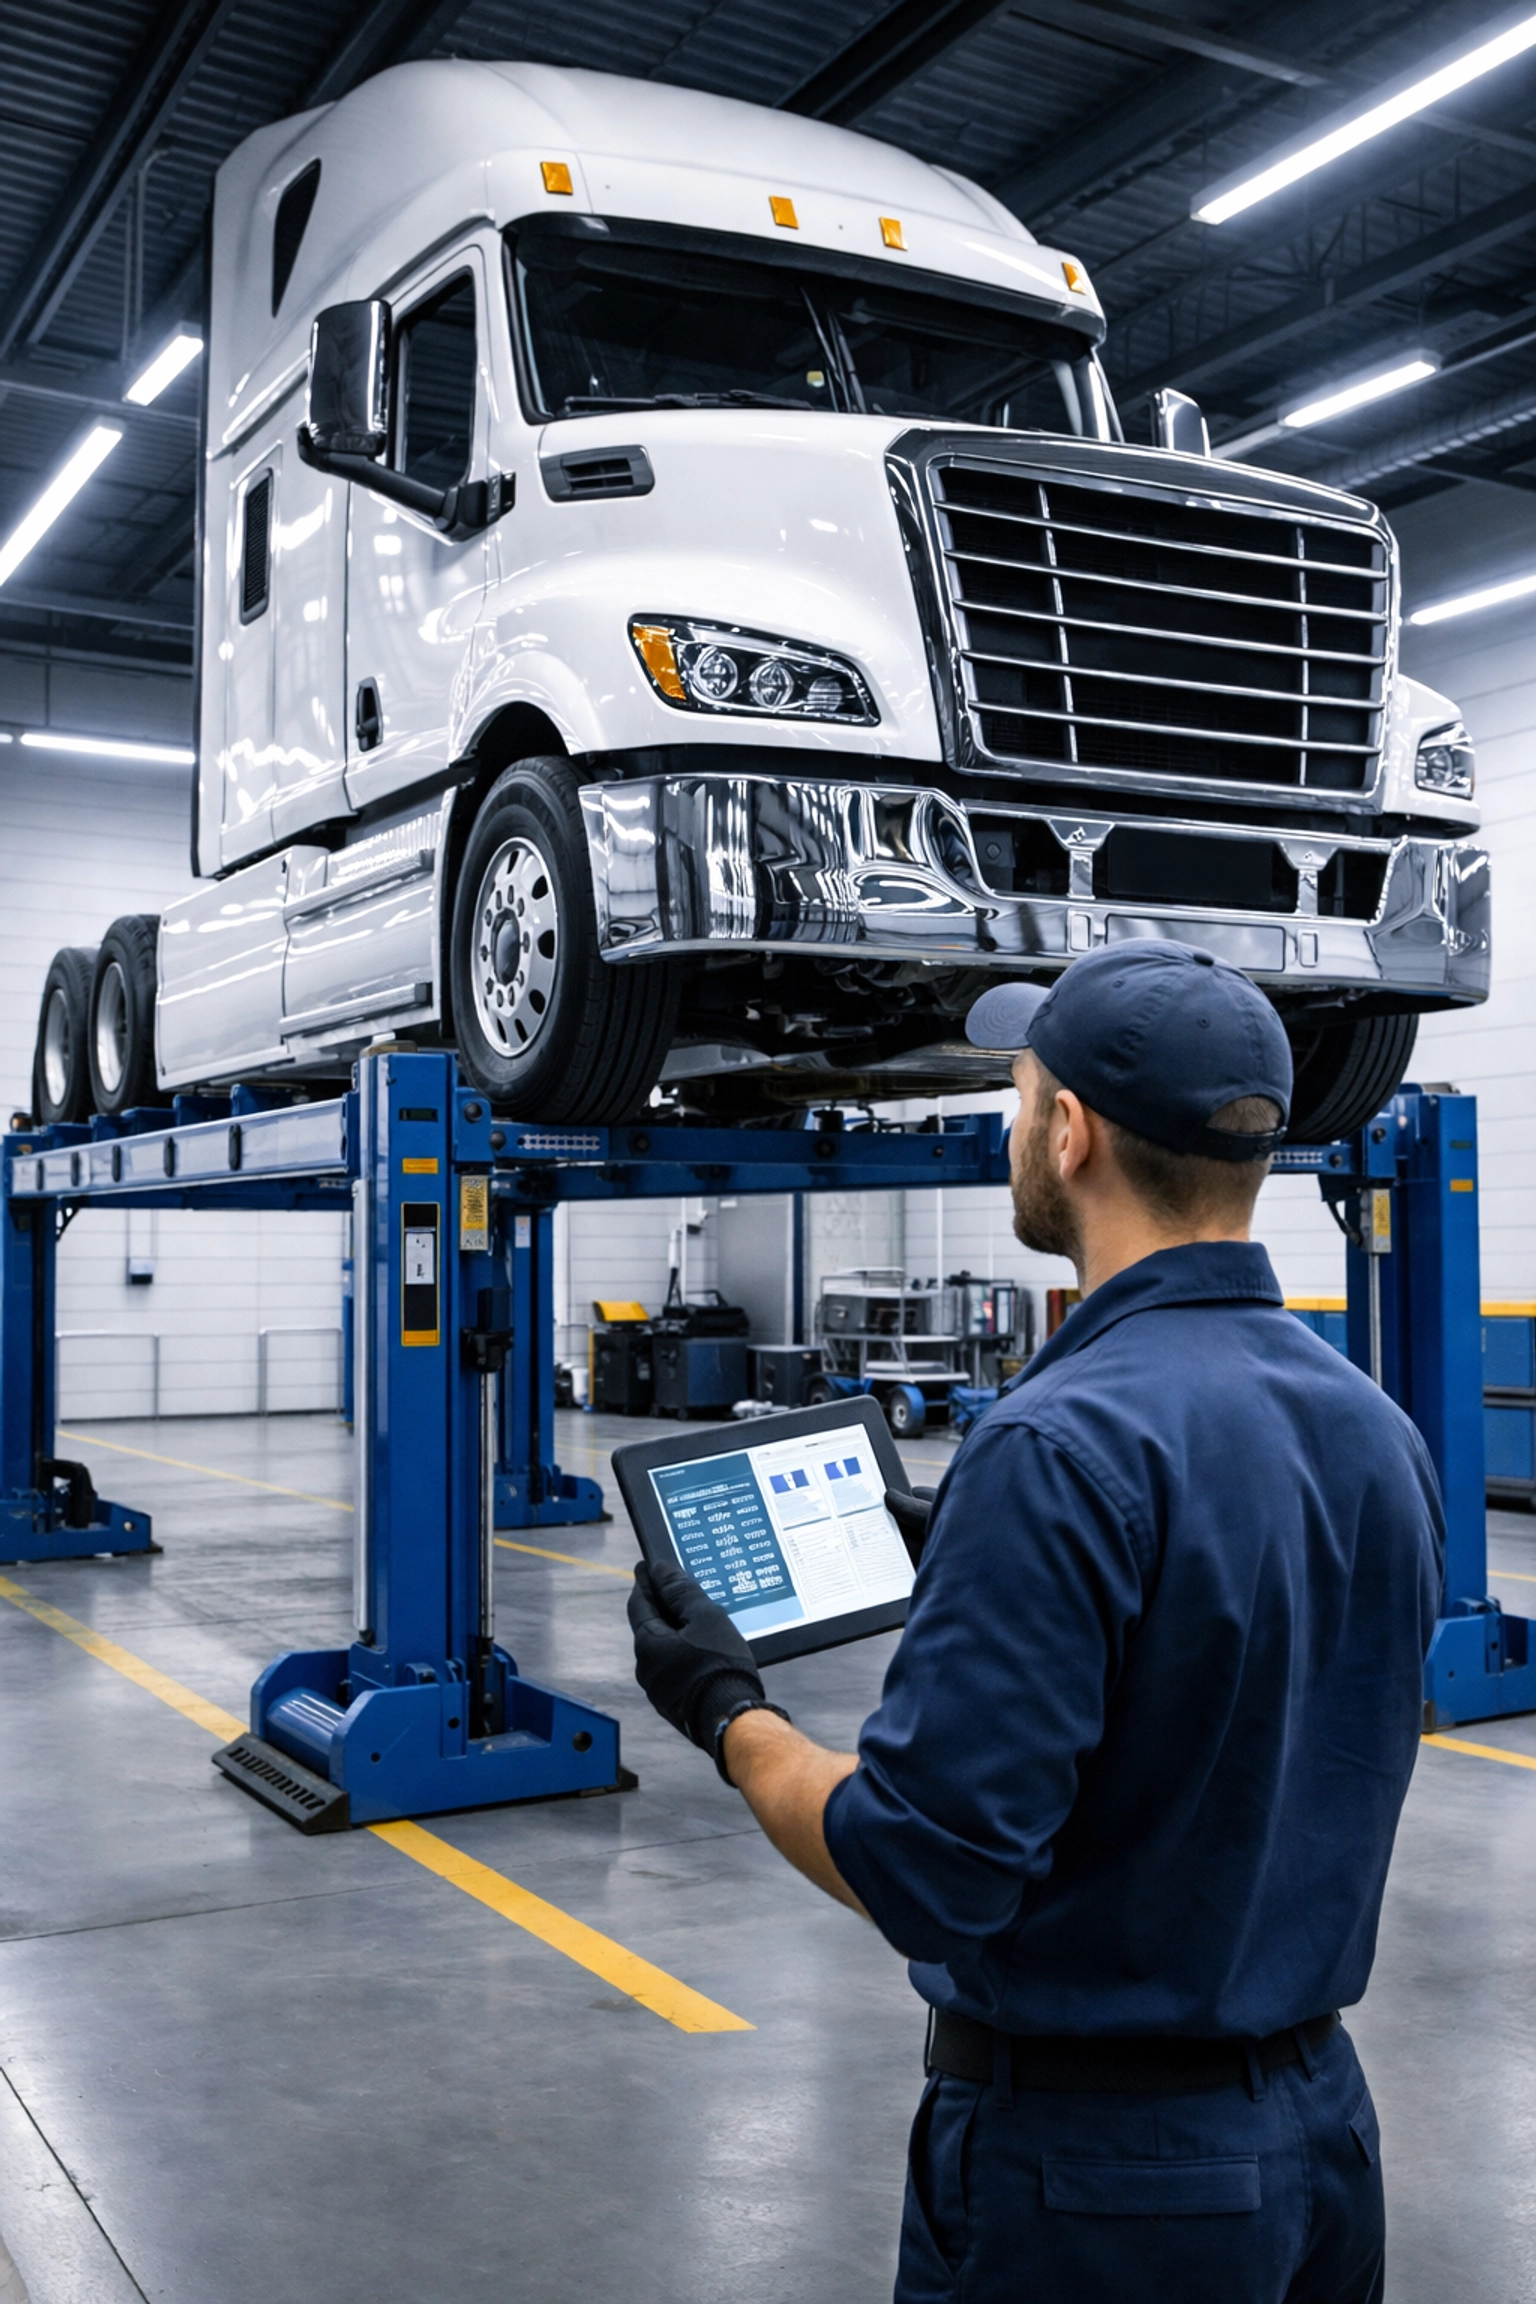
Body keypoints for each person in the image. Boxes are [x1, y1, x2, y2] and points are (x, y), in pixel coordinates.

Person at [628, 939, 1443, 2303]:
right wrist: (1001, 1573)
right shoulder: (1373, 1429)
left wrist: (729, 1712)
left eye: (1017, 1094)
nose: (1014, 1124)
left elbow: (922, 1868)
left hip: (1101, 2184)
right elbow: (1257, 1691)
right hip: (1320, 2147)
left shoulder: (1059, 1446)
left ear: (1068, 1135)